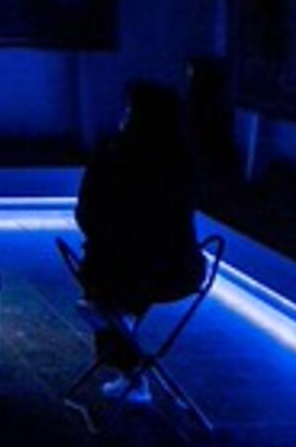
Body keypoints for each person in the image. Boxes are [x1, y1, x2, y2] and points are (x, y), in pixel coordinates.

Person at [74, 80, 206, 398]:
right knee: (126, 275)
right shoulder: (183, 160)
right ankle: (123, 329)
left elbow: (87, 214)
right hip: (180, 270)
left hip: (121, 270)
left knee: (108, 277)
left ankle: (128, 361)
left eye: (128, 111)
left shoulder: (111, 153)